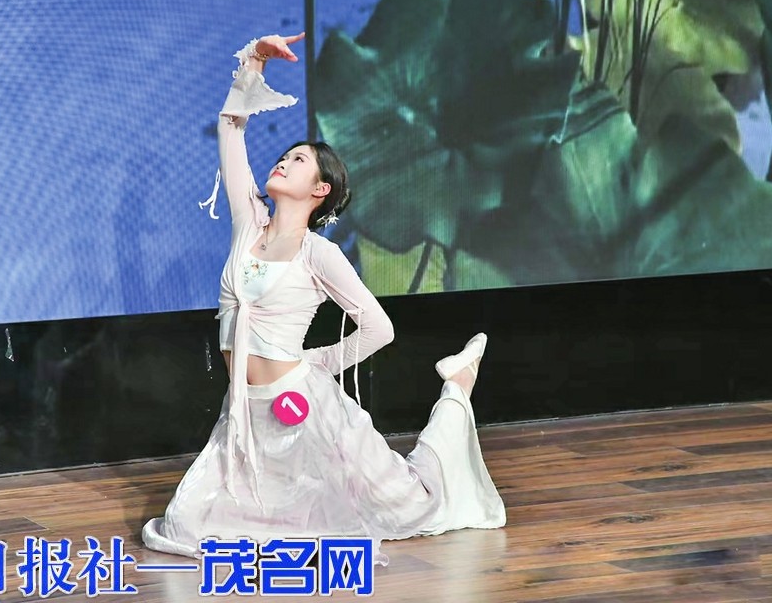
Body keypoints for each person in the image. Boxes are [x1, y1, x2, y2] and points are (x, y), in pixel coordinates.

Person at [142, 32, 505, 566]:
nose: (283, 162)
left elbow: (379, 328)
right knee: (181, 527)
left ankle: (458, 385)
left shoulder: (319, 254)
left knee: (413, 506)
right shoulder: (249, 225)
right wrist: (254, 61)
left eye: (298, 160)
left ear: (320, 190)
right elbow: (230, 128)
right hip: (244, 411)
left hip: (302, 406)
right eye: (284, 156)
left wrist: (317, 362)